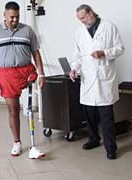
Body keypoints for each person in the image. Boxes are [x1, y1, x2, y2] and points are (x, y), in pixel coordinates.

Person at [0, 1, 46, 159]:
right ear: (4, 15)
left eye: (17, 17)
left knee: (30, 109)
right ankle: (17, 142)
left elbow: (36, 53)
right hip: (7, 74)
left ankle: (33, 146)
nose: (15, 20)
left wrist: (42, 73)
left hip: (26, 70)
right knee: (13, 109)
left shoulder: (27, 30)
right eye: (11, 17)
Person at [69, 4, 124, 159]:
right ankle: (93, 139)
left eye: (84, 17)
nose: (82, 21)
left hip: (104, 78)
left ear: (91, 13)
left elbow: (120, 48)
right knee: (90, 115)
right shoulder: (79, 32)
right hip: (87, 79)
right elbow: (77, 55)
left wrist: (104, 53)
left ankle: (111, 148)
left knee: (106, 117)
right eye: (80, 19)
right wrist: (74, 68)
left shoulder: (109, 27)